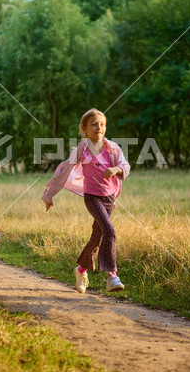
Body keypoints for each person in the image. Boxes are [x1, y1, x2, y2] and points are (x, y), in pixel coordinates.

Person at [41, 108, 130, 293]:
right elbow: (65, 169)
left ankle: (80, 270)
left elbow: (125, 165)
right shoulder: (82, 148)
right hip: (92, 197)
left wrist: (116, 170)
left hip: (109, 197)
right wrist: (49, 195)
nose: (99, 127)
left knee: (97, 236)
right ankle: (112, 276)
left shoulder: (112, 148)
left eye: (102, 124)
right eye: (94, 124)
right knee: (109, 230)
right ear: (84, 128)